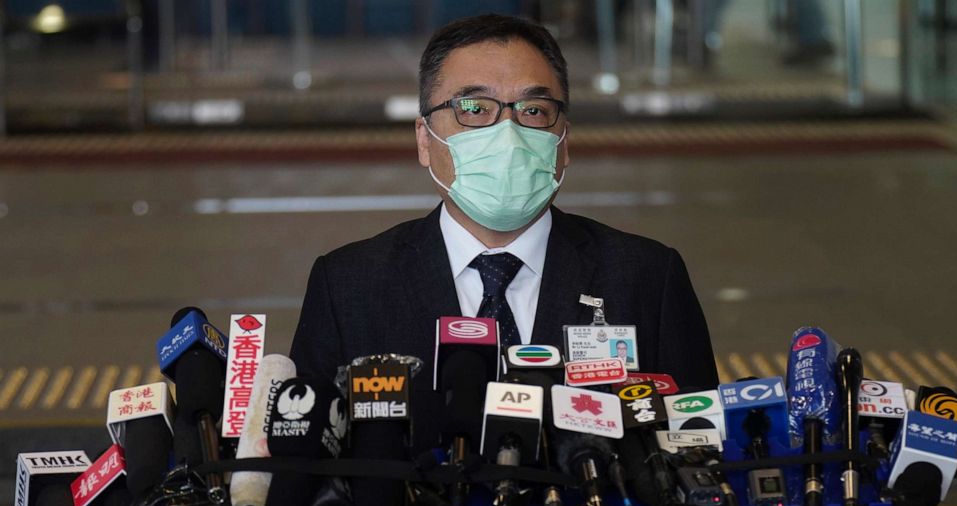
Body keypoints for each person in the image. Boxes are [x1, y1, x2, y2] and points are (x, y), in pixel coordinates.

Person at [291, 13, 717, 453]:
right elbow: (307, 462)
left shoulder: (647, 276)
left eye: (534, 110)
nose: (508, 136)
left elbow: (701, 449)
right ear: (424, 138)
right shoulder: (347, 284)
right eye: (474, 109)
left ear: (563, 141)